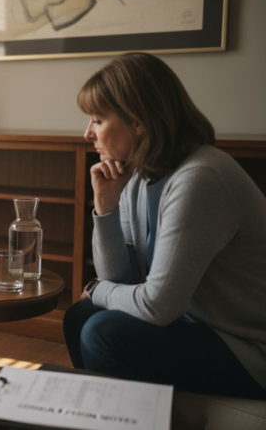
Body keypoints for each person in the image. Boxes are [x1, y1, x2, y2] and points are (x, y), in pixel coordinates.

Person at [64, 52, 266, 400]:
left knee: (102, 331)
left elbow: (157, 305)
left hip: (245, 348)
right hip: (192, 326)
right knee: (79, 317)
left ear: (138, 121)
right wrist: (107, 206)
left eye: (97, 120)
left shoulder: (200, 178)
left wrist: (96, 289)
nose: (87, 134)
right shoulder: (141, 177)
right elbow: (121, 280)